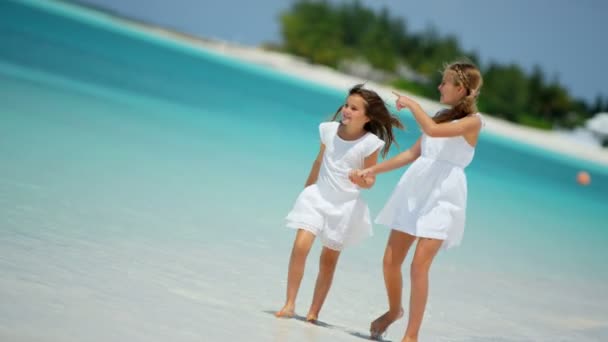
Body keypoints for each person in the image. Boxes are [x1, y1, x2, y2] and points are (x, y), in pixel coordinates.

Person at [351, 61, 484, 341]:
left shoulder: (473, 122)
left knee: (418, 266)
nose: (440, 86)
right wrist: (371, 169)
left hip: (445, 197)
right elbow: (413, 154)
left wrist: (411, 104)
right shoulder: (439, 116)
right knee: (390, 262)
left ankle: (411, 336)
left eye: (445, 82)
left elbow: (433, 133)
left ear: (460, 88)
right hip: (414, 192)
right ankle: (393, 311)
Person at [276, 84, 404, 323]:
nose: (346, 110)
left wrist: (361, 178)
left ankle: (313, 312)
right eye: (346, 105)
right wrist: (305, 194)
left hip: (344, 207)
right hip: (316, 198)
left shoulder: (369, 143)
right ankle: (290, 303)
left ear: (367, 117)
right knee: (301, 247)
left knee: (328, 260)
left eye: (354, 108)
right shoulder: (328, 130)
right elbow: (318, 162)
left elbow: (370, 180)